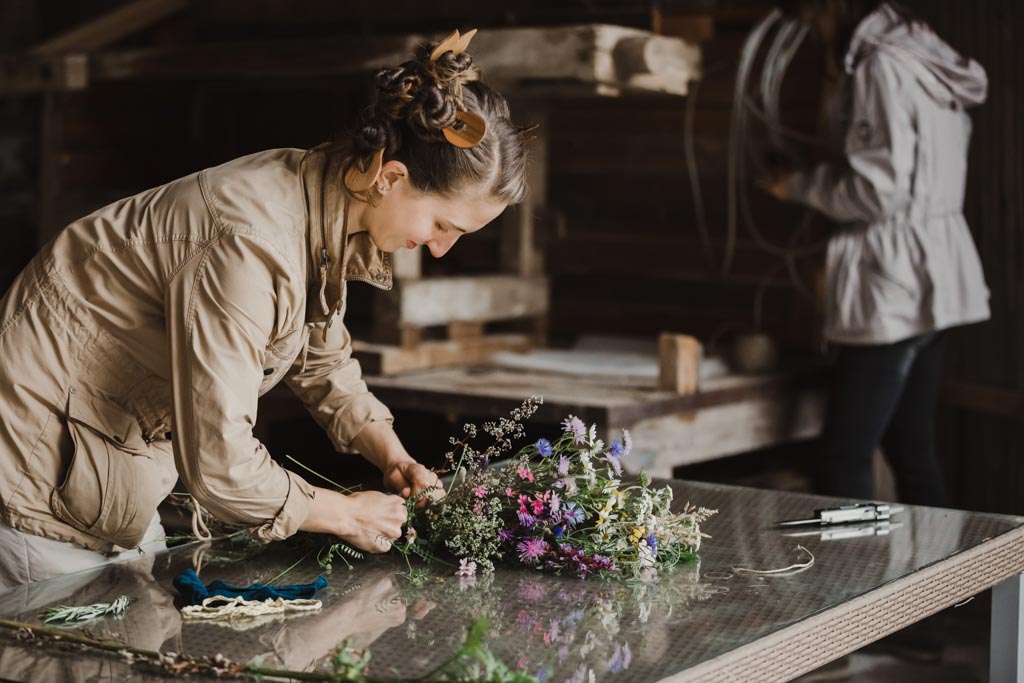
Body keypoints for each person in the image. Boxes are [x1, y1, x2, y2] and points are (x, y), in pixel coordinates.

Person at [0, 29, 528, 587]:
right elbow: (221, 463)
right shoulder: (251, 240)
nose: (442, 248)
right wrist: (345, 514)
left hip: (107, 461)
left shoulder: (324, 197)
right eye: (443, 225)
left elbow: (320, 359)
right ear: (391, 177)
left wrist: (391, 455)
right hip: (37, 471)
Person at [761, 1, 989, 505]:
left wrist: (796, 185)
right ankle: (945, 560)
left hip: (893, 280)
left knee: (843, 457)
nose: (814, 33)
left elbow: (877, 193)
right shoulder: (919, 53)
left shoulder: (880, 66)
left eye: (813, 21)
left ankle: (856, 563)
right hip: (936, 268)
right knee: (911, 451)